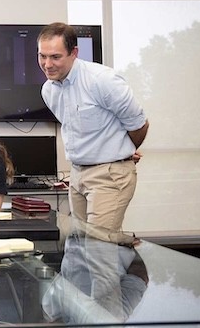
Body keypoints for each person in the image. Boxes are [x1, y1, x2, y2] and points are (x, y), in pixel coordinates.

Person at [38, 22, 149, 232]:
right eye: (42, 56)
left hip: (108, 175)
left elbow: (139, 124)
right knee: (81, 249)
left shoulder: (102, 80)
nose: (47, 64)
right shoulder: (49, 90)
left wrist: (122, 153)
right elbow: (77, 130)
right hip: (77, 174)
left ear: (74, 53)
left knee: (100, 251)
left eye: (55, 57)